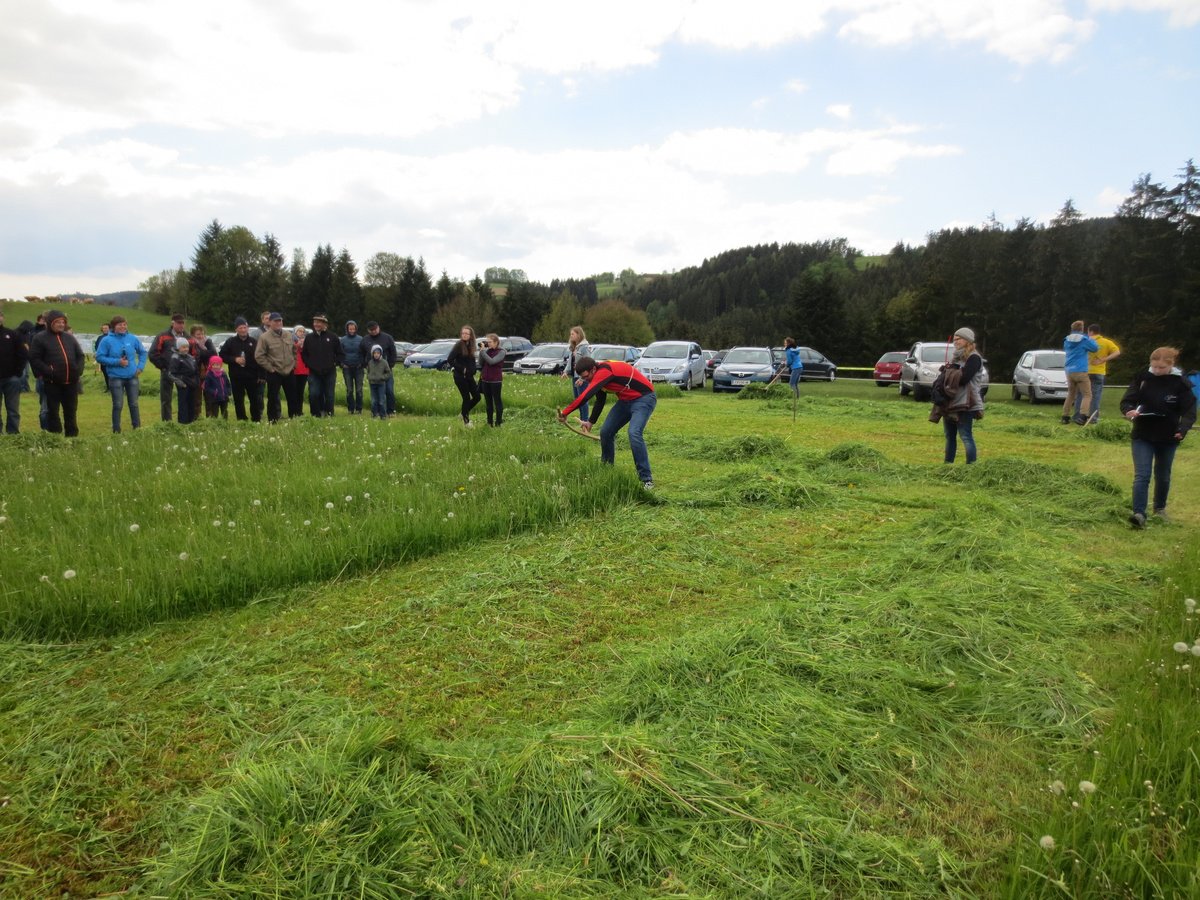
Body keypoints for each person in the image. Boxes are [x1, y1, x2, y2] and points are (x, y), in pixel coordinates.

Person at [1119, 347, 1196, 528]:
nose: (1157, 371)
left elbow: (1189, 411)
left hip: (1168, 436)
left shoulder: (1181, 383)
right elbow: (1127, 400)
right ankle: (1139, 513)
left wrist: (1182, 429)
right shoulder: (1143, 378)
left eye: (1161, 368)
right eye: (1154, 367)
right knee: (1142, 475)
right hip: (1143, 434)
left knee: (1163, 475)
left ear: (1171, 365)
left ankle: (1159, 509)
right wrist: (1128, 410)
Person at [558, 355, 657, 489]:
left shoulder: (604, 371)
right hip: (625, 401)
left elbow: (586, 396)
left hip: (644, 399)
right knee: (606, 432)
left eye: (586, 377)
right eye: (583, 378)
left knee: (634, 433)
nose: (586, 380)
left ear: (593, 369)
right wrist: (590, 422)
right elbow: (600, 400)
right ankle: (607, 470)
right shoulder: (597, 376)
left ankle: (646, 480)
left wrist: (565, 413)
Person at [28, 309, 85, 437]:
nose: (61, 324)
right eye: (58, 322)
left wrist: (78, 370)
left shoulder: (69, 338)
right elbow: (34, 358)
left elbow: (80, 355)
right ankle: (55, 437)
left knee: (71, 411)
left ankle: (72, 437)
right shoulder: (40, 338)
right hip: (52, 382)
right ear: (50, 323)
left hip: (71, 382)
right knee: (53, 411)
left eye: (63, 322)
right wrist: (49, 371)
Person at [935, 327, 985, 464]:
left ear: (967, 340)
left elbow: (964, 378)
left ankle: (971, 466)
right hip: (951, 401)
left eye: (959, 339)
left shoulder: (974, 358)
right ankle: (947, 466)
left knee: (966, 436)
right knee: (949, 436)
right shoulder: (956, 357)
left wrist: (949, 373)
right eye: (954, 339)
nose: (955, 342)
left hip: (966, 403)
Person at [94, 315, 147, 433]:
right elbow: (99, 357)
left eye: (124, 324)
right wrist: (118, 362)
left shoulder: (132, 338)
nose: (123, 327)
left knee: (134, 404)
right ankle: (116, 430)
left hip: (132, 376)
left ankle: (137, 429)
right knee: (118, 404)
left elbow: (143, 353)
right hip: (115, 377)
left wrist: (140, 367)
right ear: (113, 327)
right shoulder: (106, 340)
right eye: (119, 325)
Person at [1073, 324, 1121, 422]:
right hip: (1098, 372)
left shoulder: (1084, 341)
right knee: (1095, 396)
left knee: (1081, 394)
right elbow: (1117, 352)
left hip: (1084, 371)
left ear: (1090, 331)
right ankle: (1093, 418)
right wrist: (1103, 359)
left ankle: (1078, 416)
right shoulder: (1106, 342)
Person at [253, 313, 295, 423]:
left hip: (289, 371)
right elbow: (259, 355)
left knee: (292, 396)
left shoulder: (288, 334)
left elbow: (294, 351)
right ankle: (272, 420)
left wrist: (293, 364)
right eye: (275, 321)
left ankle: (293, 418)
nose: (278, 323)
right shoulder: (264, 337)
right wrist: (270, 368)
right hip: (274, 372)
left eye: (280, 321)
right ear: (270, 322)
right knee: (272, 397)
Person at [218, 317, 263, 422]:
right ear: (236, 329)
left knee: (254, 399)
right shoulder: (231, 341)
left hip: (252, 376)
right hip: (236, 376)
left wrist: (261, 375)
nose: (243, 330)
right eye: (240, 328)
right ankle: (242, 419)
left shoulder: (254, 342)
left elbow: (260, 358)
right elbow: (222, 355)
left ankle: (256, 419)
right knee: (238, 399)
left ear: (248, 328)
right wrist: (234, 359)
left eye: (244, 327)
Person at [149, 314, 191, 421]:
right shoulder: (162, 336)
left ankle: (184, 421)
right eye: (179, 323)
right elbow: (153, 353)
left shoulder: (188, 337)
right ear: (173, 323)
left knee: (184, 398)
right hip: (167, 371)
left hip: (183, 373)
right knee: (166, 399)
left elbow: (194, 353)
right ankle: (167, 423)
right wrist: (163, 366)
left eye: (183, 323)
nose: (181, 325)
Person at [302, 314, 344, 417]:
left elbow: (340, 354)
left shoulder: (333, 337)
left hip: (329, 371)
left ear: (325, 324)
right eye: (315, 322)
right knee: (314, 394)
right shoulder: (309, 337)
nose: (316, 324)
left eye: (319, 322)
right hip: (314, 372)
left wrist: (335, 363)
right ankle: (316, 414)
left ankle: (329, 413)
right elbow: (304, 354)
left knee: (329, 395)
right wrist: (309, 364)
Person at [1061, 320, 1099, 425]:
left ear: (1072, 328)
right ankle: (1082, 417)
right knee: (1087, 394)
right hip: (1080, 370)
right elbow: (1095, 348)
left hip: (1069, 370)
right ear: (1082, 329)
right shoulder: (1084, 339)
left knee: (1071, 394)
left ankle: (1065, 416)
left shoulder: (1066, 340)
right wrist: (1090, 338)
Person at [0, 308, 29, 433]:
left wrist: (18, 372)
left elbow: (23, 354)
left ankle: (13, 433)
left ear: (2, 318)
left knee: (13, 409)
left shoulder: (12, 334)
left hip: (11, 379)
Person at [447, 325, 481, 426]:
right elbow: (450, 359)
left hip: (470, 376)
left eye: (466, 333)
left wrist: (473, 370)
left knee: (477, 397)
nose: (464, 335)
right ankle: (466, 422)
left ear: (471, 335)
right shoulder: (459, 345)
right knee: (466, 398)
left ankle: (463, 413)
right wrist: (462, 369)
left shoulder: (471, 345)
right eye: (463, 333)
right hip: (460, 377)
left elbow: (472, 361)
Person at [364, 322, 397, 414]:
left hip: (386, 370)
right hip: (373, 372)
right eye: (371, 330)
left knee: (389, 391)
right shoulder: (365, 340)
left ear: (378, 327)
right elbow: (361, 353)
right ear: (368, 330)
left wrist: (390, 365)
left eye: (375, 329)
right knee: (375, 394)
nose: (374, 331)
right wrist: (365, 365)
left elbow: (393, 353)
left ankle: (390, 411)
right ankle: (377, 411)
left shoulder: (388, 338)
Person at [168, 337, 199, 424]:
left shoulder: (191, 357)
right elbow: (171, 374)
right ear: (178, 347)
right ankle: (183, 423)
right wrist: (182, 384)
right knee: (183, 405)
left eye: (187, 347)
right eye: (183, 347)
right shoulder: (175, 358)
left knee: (191, 403)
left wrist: (196, 382)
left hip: (192, 384)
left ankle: (191, 422)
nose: (186, 349)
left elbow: (196, 371)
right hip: (183, 385)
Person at [563, 325, 591, 423]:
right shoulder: (574, 347)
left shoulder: (584, 347)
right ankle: (582, 419)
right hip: (575, 376)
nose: (571, 336)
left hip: (582, 377)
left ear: (579, 335)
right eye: (570, 334)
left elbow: (588, 362)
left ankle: (585, 421)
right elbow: (570, 361)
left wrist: (583, 378)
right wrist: (566, 371)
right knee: (577, 400)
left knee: (583, 399)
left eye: (573, 334)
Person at [478, 333, 505, 427]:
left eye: (490, 342)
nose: (488, 344)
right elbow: (480, 363)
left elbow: (492, 362)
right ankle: (489, 422)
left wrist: (483, 352)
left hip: (495, 381)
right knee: (488, 403)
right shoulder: (487, 351)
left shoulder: (501, 352)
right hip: (485, 380)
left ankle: (498, 422)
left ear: (496, 342)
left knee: (497, 401)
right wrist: (481, 352)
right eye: (487, 342)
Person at [340, 320, 365, 414]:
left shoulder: (361, 339)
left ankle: (359, 409)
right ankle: (350, 409)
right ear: (347, 329)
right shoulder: (342, 340)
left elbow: (364, 352)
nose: (351, 330)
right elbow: (339, 353)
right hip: (347, 368)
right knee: (349, 390)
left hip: (358, 368)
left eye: (353, 329)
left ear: (356, 329)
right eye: (350, 329)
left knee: (359, 390)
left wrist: (362, 363)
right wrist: (342, 364)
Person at [289, 325, 309, 417]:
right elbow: (291, 350)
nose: (301, 333)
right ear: (295, 332)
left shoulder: (306, 341)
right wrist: (298, 344)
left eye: (303, 331)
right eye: (299, 331)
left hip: (304, 370)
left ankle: (299, 411)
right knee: (293, 391)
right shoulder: (291, 340)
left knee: (300, 392)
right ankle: (293, 411)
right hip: (294, 369)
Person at [366, 344, 391, 418]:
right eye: (375, 353)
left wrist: (383, 377)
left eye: (378, 353)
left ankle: (383, 415)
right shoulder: (370, 362)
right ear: (372, 354)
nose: (376, 355)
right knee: (374, 400)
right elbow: (368, 371)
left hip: (381, 384)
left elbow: (388, 373)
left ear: (380, 354)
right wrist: (369, 377)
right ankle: (374, 414)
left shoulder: (384, 362)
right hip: (372, 383)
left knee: (381, 400)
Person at [95, 322, 111, 391]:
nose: (105, 329)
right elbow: (96, 346)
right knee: (105, 373)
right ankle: (108, 387)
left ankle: (113, 388)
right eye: (103, 328)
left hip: (110, 358)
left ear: (110, 329)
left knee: (111, 374)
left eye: (106, 328)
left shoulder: (112, 337)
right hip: (102, 359)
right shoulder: (100, 338)